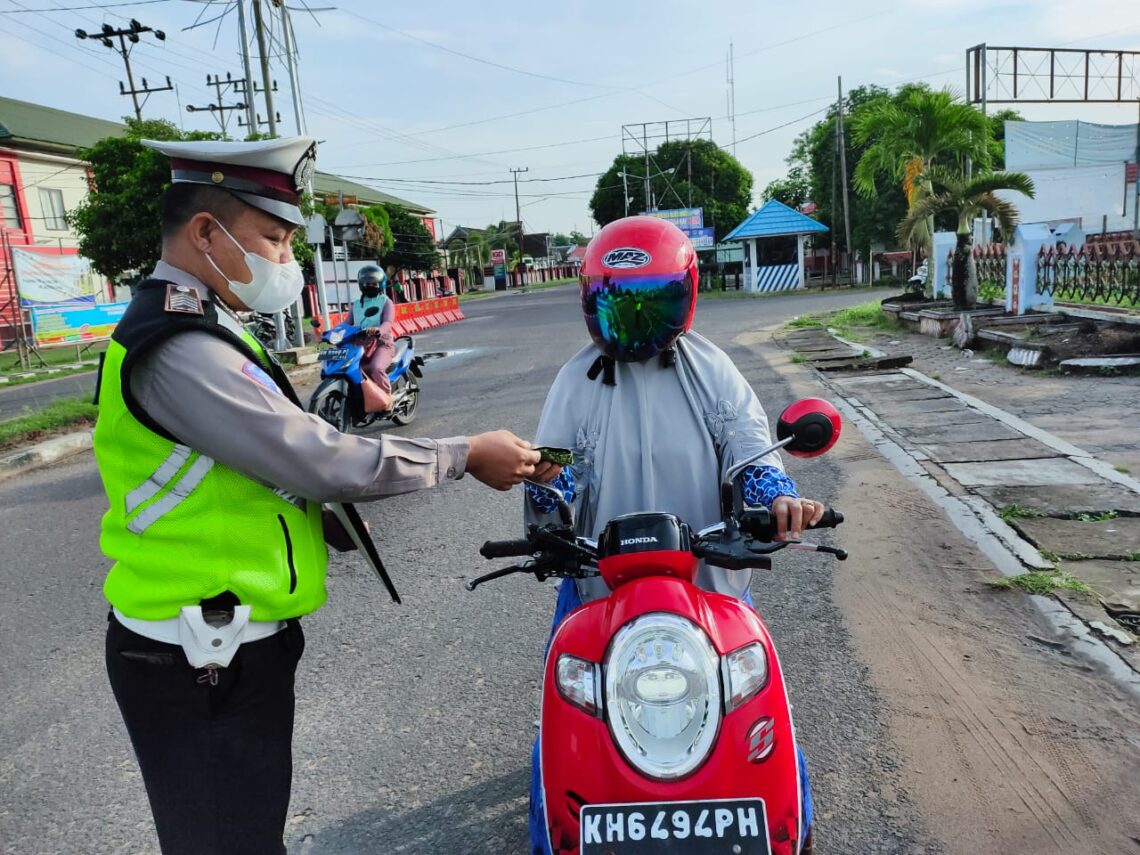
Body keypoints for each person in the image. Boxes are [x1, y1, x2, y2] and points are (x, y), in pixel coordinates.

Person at [93, 135, 557, 855]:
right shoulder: (178, 345)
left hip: (225, 649)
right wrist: (463, 454)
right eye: (274, 239)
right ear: (206, 233)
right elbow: (318, 458)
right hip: (196, 663)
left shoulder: (208, 324)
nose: (287, 260)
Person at [523, 215, 823, 854]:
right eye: (616, 305)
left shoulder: (713, 372)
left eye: (649, 304)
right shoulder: (574, 381)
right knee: (557, 740)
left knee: (770, 741)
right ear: (589, 301)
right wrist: (548, 512)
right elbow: (553, 468)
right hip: (597, 586)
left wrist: (779, 500)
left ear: (685, 296)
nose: (631, 323)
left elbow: (751, 453)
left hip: (708, 583)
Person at [349, 264, 396, 412]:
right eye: (366, 282)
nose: (369, 285)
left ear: (380, 284)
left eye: (372, 282)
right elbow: (346, 324)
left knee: (376, 368)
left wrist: (378, 330)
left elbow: (388, 322)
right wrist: (331, 333)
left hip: (382, 344)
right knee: (351, 370)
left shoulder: (385, 302)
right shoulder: (356, 305)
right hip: (361, 345)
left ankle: (387, 399)